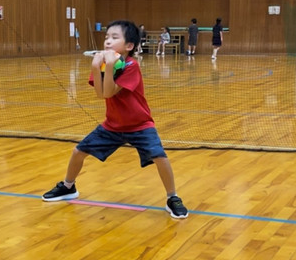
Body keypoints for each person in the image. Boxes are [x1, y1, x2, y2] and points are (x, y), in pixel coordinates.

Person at [42, 20, 188, 219]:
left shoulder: (131, 66)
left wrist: (108, 66)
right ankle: (68, 186)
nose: (108, 41)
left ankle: (173, 197)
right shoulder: (102, 65)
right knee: (78, 152)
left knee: (160, 157)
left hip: (140, 125)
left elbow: (110, 92)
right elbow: (101, 95)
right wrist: (97, 67)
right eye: (106, 37)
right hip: (112, 125)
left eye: (114, 37)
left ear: (129, 46)